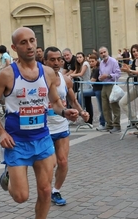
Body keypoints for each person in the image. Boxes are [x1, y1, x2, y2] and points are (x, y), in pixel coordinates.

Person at [0, 27, 79, 219]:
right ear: (15, 48)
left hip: (43, 139)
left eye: (32, 41)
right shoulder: (7, 74)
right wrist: (2, 133)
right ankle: (8, 173)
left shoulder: (47, 73)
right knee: (20, 197)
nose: (29, 46)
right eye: (23, 42)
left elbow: (55, 101)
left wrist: (64, 112)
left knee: (46, 190)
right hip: (17, 142)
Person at [44, 46, 89, 206]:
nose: (56, 63)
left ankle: (55, 191)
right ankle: (45, 190)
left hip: (62, 127)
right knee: (51, 164)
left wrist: (82, 112)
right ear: (45, 61)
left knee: (63, 162)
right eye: (52, 60)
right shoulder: (39, 80)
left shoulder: (66, 79)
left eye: (59, 59)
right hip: (45, 129)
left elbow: (73, 100)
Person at [98, 46, 122, 133]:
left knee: (114, 106)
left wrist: (108, 75)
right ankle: (109, 124)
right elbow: (100, 73)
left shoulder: (113, 61)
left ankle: (117, 125)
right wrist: (100, 77)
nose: (103, 54)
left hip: (112, 85)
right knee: (105, 106)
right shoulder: (101, 63)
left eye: (104, 52)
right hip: (104, 85)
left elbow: (118, 73)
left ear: (107, 52)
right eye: (101, 53)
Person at [70, 52, 93, 126]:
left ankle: (89, 121)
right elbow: (75, 72)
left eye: (80, 57)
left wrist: (71, 75)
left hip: (87, 85)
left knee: (87, 103)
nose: (79, 59)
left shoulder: (85, 64)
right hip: (82, 86)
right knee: (83, 102)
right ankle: (86, 120)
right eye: (77, 57)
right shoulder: (79, 65)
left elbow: (81, 74)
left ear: (83, 57)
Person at [89, 54, 106, 131]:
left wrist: (90, 81)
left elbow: (92, 80)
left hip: (98, 90)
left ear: (96, 61)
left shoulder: (97, 69)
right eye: (90, 61)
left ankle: (102, 123)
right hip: (95, 89)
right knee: (81, 94)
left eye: (93, 61)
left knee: (101, 108)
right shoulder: (94, 69)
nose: (91, 63)